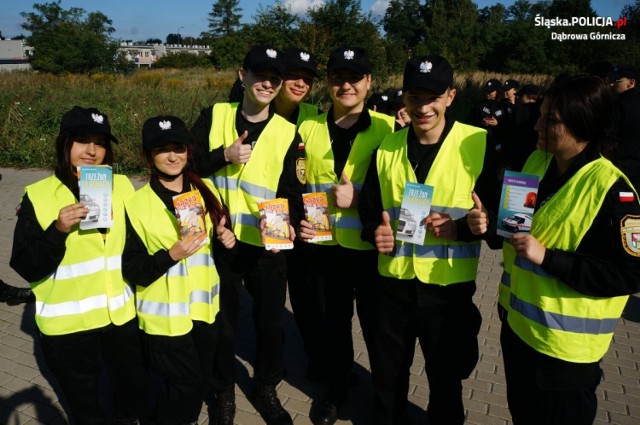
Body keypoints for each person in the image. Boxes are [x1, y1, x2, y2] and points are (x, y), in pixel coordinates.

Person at [470, 75, 640, 425]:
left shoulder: (613, 191)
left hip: (565, 354)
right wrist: (486, 225)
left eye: (551, 120)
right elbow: (510, 233)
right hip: (518, 331)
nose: (538, 124)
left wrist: (548, 258)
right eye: (541, 114)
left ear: (585, 125)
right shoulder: (535, 163)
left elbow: (627, 275)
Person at [358, 55, 500, 425]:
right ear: (404, 98)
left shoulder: (479, 143)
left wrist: (469, 227)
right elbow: (370, 209)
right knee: (388, 378)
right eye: (414, 97)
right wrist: (375, 231)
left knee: (446, 380)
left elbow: (500, 219)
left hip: (447, 290)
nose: (423, 107)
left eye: (433, 97)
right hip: (392, 285)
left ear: (450, 96)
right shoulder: (387, 147)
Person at [10, 106, 148, 425]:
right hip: (68, 324)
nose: (92, 150)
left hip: (120, 315)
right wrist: (57, 230)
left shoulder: (123, 186)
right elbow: (26, 266)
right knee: (83, 400)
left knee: (132, 387)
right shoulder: (39, 195)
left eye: (99, 143)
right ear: (64, 143)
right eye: (82, 140)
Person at [191, 45, 305, 425]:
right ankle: (223, 391)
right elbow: (186, 169)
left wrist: (290, 220)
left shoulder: (288, 132)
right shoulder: (216, 115)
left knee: (271, 323)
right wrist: (222, 155)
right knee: (223, 323)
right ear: (243, 76)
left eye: (275, 78)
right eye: (259, 75)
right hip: (221, 242)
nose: (267, 83)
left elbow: (292, 189)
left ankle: (267, 387)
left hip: (267, 245)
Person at [295, 46, 395, 425]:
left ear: (369, 82)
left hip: (370, 248)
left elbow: (396, 188)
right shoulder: (309, 128)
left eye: (354, 77)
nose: (346, 85)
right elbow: (297, 183)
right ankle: (335, 390)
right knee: (331, 325)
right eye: (338, 77)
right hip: (323, 248)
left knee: (378, 328)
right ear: (328, 83)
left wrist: (360, 199)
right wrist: (296, 219)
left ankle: (385, 398)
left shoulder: (388, 129)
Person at [122, 115, 235, 425]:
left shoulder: (207, 190)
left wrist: (228, 239)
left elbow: (219, 254)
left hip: (204, 312)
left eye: (178, 148)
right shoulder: (136, 204)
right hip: (166, 321)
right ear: (148, 155)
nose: (172, 157)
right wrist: (171, 254)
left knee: (193, 384)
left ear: (189, 150)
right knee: (187, 385)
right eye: (161, 150)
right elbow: (133, 269)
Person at [609, 64, 640, 190]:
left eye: (616, 81)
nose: (611, 84)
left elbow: (609, 136)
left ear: (631, 82)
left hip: (621, 169)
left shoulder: (618, 106)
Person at [273, 47, 320, 125]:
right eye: (293, 75)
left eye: (307, 79)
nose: (300, 84)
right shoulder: (255, 111)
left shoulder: (317, 115)